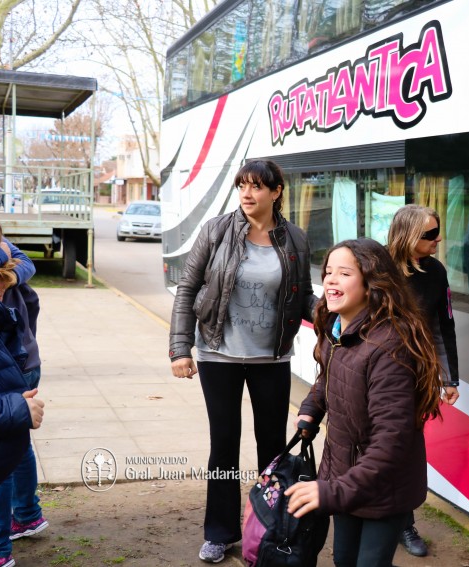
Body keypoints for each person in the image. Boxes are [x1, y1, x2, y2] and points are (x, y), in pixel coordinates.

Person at [168, 159, 317, 564]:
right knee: (224, 444)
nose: (247, 194)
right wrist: (180, 349)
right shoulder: (216, 231)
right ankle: (220, 531)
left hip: (272, 357)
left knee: (272, 448)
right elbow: (188, 288)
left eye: (256, 187)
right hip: (219, 353)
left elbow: (303, 298)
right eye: (242, 186)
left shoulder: (295, 240)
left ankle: (267, 526)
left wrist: (336, 315)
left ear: (276, 191)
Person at [286, 238, 444, 567]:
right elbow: (331, 377)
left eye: (344, 273)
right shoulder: (338, 327)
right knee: (344, 559)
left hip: (383, 485)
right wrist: (311, 410)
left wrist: (330, 491)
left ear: (372, 282)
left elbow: (392, 438)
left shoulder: (389, 345)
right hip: (345, 474)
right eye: (328, 272)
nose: (330, 279)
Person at [0, 190, 44, 567]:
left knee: (7, 446)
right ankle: (18, 524)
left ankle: (3, 540)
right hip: (16, 363)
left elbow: (24, 262)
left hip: (14, 362)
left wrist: (6, 277)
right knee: (13, 439)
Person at [386, 204, 459, 557]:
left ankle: (404, 523)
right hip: (373, 376)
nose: (438, 239)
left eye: (438, 230)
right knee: (372, 447)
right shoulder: (376, 270)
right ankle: (369, 512)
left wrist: (449, 378)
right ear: (408, 235)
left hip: (416, 377)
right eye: (430, 234)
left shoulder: (436, 272)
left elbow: (444, 326)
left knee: (408, 450)